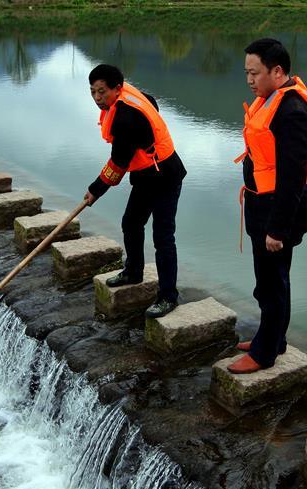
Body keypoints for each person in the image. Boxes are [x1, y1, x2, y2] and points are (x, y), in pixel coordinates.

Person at [227, 38, 307, 374]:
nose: (249, 80)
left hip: (278, 211)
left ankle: (265, 352)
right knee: (267, 280)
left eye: (255, 73)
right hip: (261, 204)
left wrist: (277, 229)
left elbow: (292, 177)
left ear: (278, 72)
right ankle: (272, 338)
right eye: (247, 73)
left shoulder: (292, 112)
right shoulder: (272, 100)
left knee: (273, 281)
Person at [84, 64, 187, 318]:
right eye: (93, 92)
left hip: (165, 175)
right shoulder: (123, 100)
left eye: (102, 92)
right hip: (145, 175)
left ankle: (168, 297)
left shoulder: (126, 118)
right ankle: (133, 271)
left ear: (117, 88)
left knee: (163, 236)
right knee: (131, 223)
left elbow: (118, 165)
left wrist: (94, 191)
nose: (98, 98)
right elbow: (152, 102)